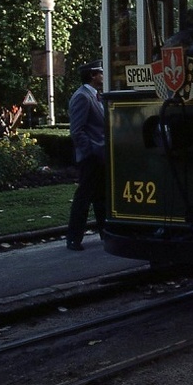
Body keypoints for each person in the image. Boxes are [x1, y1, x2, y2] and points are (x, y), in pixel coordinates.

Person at [66, 60, 107, 251]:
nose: (103, 75)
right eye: (100, 72)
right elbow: (77, 131)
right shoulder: (82, 97)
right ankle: (74, 238)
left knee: (100, 197)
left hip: (98, 156)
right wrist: (90, 151)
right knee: (84, 197)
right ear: (92, 75)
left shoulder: (95, 96)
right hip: (91, 158)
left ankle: (105, 233)